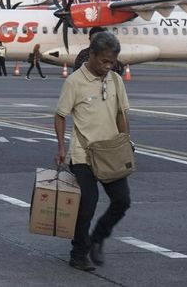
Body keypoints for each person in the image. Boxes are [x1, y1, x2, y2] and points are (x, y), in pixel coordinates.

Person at [54, 31, 131, 272]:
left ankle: (98, 236)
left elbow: (121, 114)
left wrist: (125, 143)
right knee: (88, 203)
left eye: (112, 62)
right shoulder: (75, 81)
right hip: (83, 153)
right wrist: (60, 147)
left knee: (122, 201)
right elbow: (60, 115)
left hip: (110, 153)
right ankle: (78, 253)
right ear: (92, 54)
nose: (108, 66)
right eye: (104, 61)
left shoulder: (115, 80)